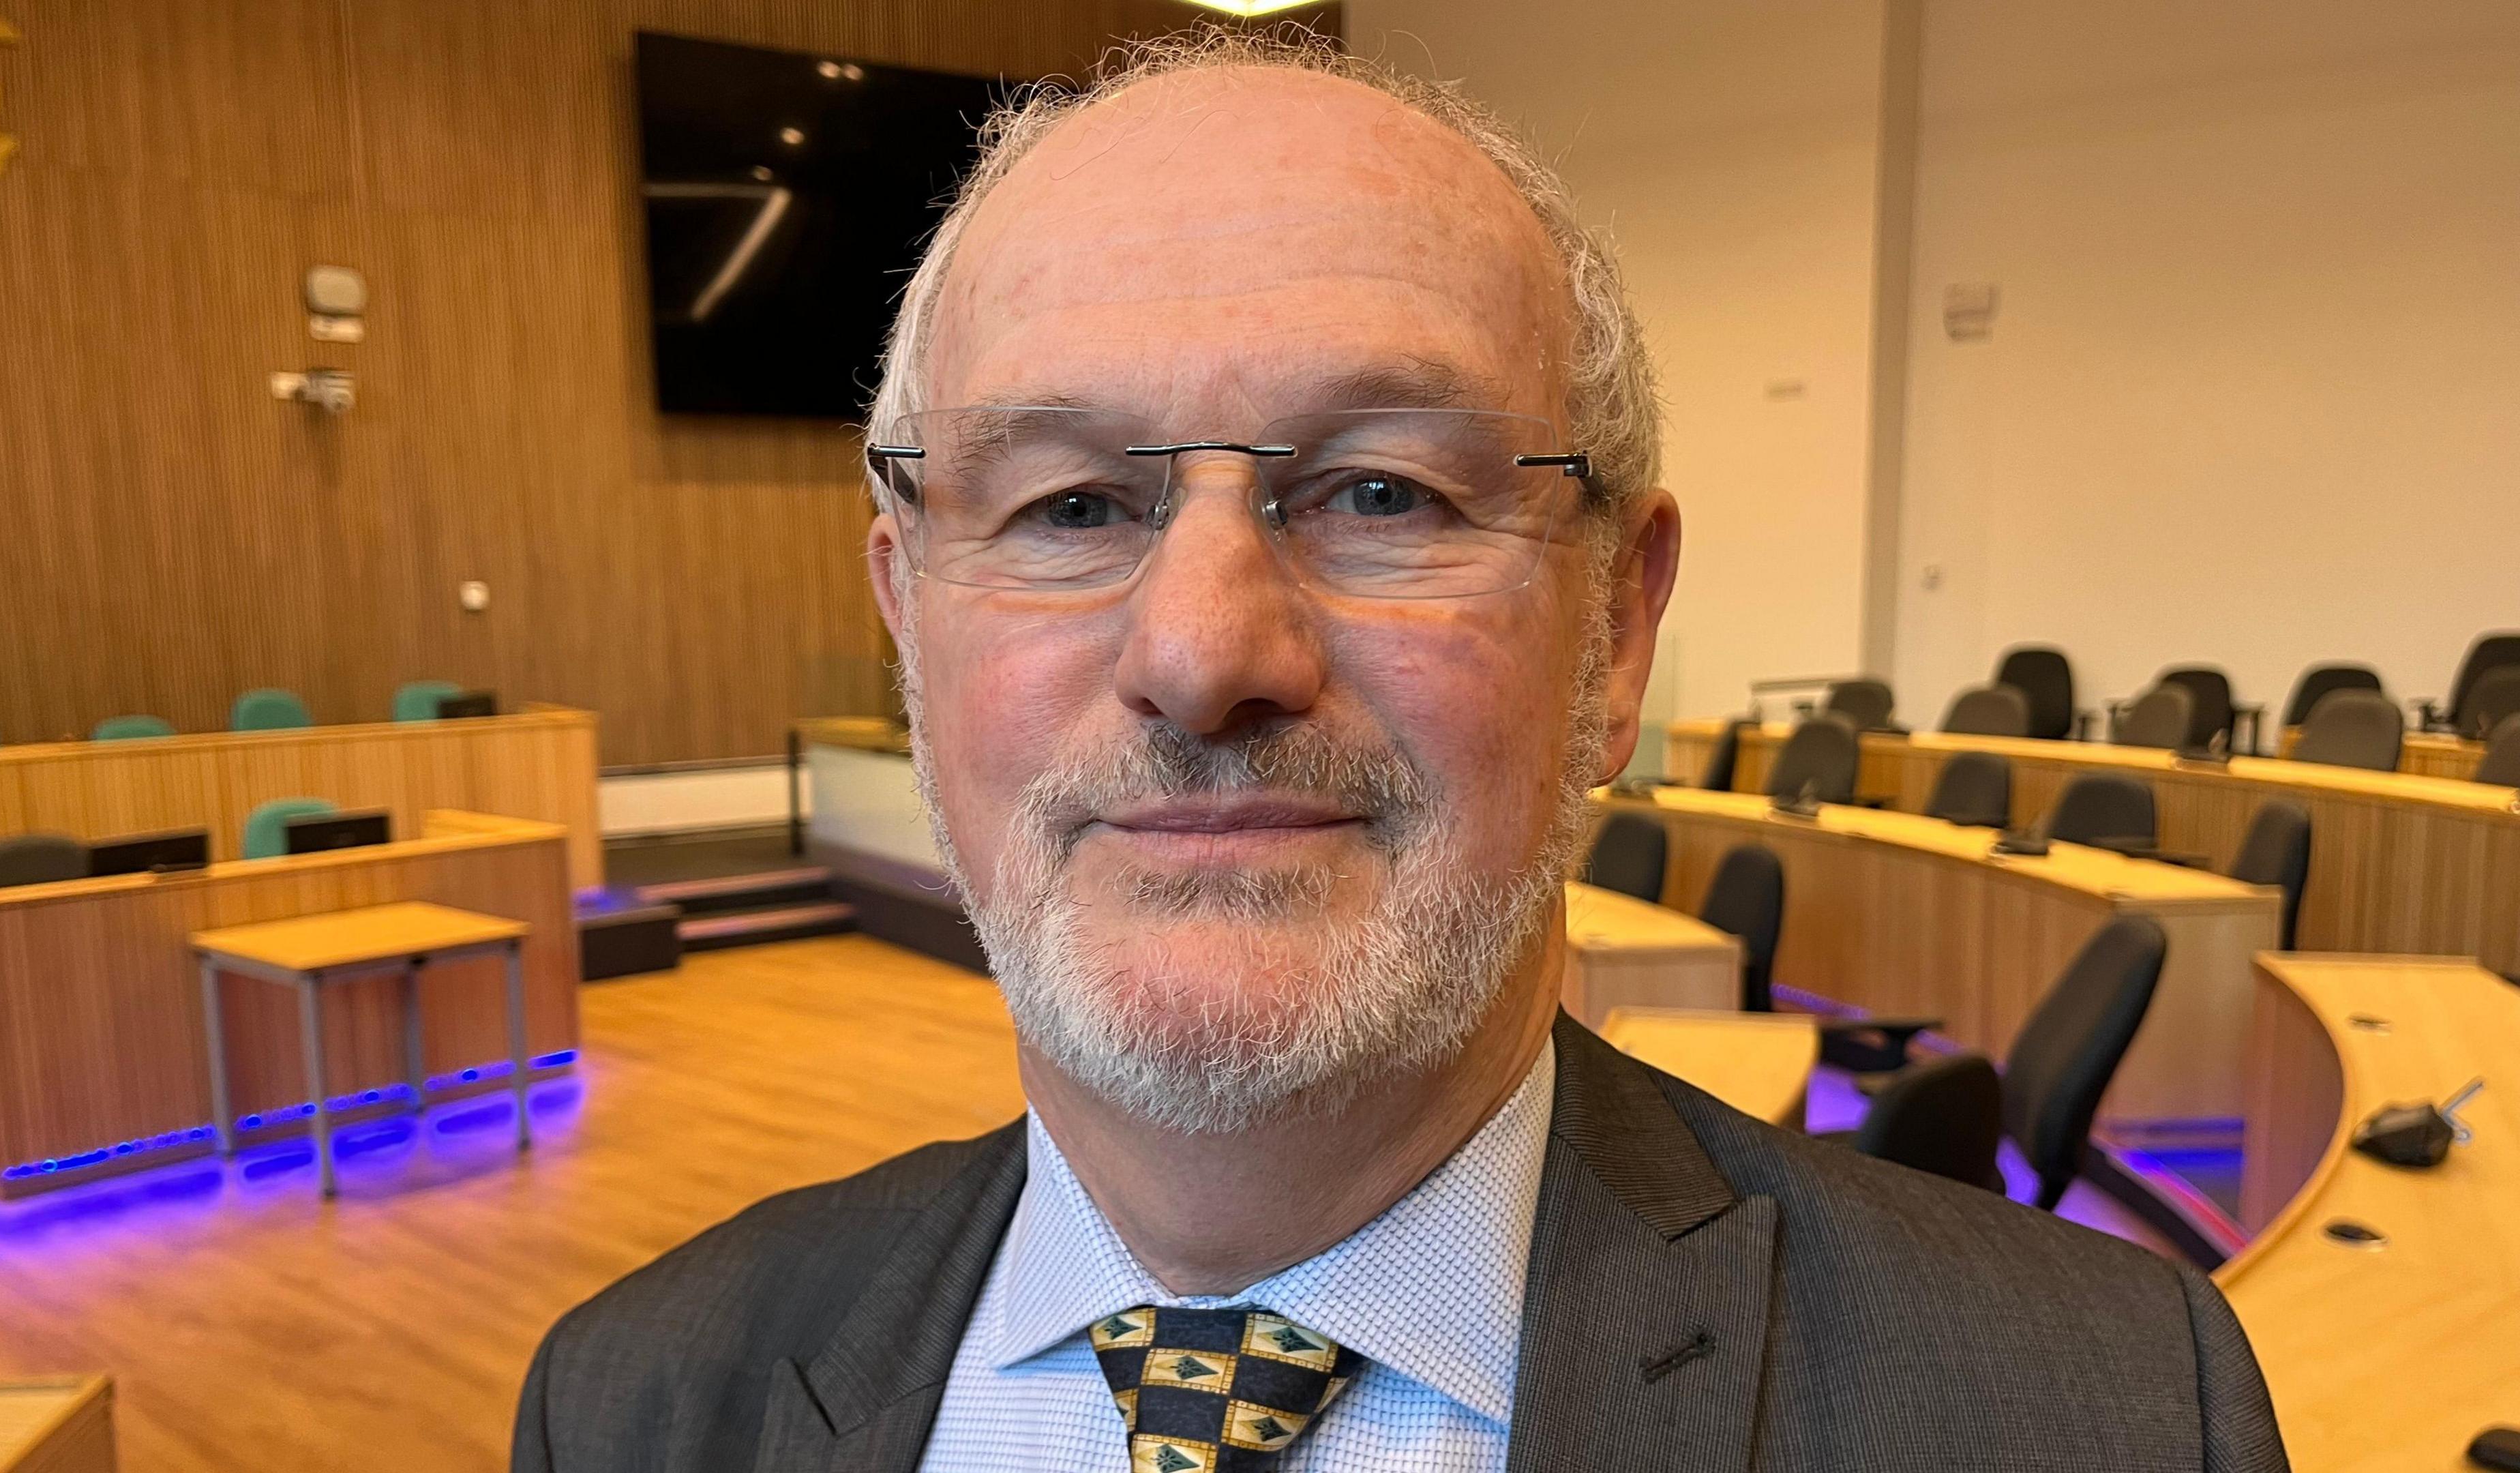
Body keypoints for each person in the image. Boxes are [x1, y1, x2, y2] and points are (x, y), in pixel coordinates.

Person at [515, 29, 2285, 1472]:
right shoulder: (632, 1406)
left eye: (1381, 491)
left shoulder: (2104, 1413)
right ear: (911, 623)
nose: (1206, 652)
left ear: (1615, 634)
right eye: (1070, 504)